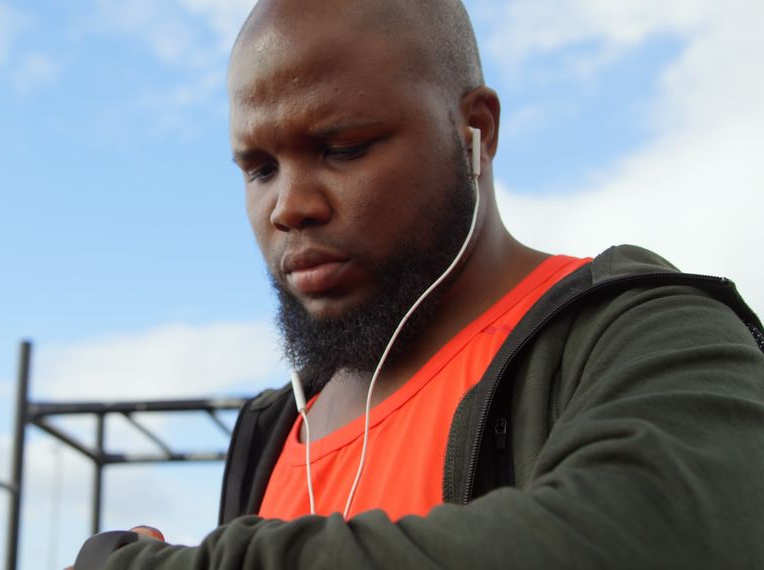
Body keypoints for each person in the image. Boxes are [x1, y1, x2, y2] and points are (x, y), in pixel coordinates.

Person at [74, 0, 764, 567]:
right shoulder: (270, 430)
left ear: (476, 132)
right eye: (259, 169)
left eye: (341, 147)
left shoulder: (647, 332)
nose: (289, 206)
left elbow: (658, 541)